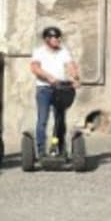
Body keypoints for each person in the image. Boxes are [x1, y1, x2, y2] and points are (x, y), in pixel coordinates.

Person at [30, 26, 81, 156]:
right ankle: (41, 150)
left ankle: (59, 147)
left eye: (59, 37)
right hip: (44, 89)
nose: (58, 39)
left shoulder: (63, 51)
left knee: (60, 120)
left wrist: (75, 78)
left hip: (60, 89)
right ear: (47, 39)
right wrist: (48, 77)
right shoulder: (39, 52)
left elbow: (70, 66)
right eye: (55, 37)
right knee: (43, 120)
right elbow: (35, 68)